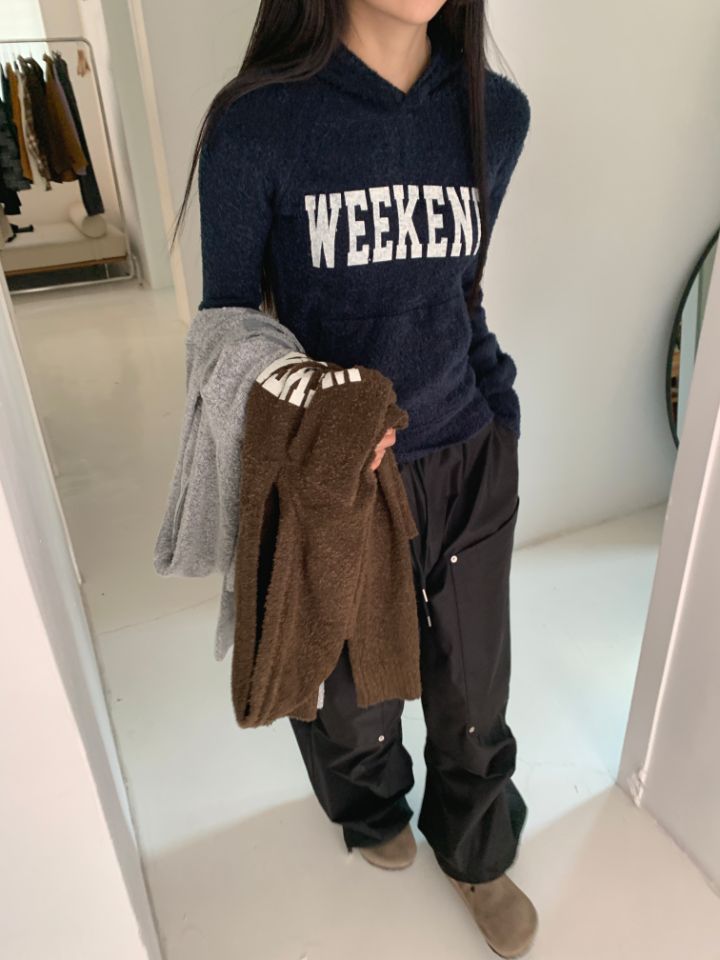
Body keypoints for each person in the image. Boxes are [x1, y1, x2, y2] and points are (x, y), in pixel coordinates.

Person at [171, 1, 537, 955]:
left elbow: (460, 290)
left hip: (468, 453)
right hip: (340, 479)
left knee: (475, 683)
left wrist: (499, 418)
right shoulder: (257, 122)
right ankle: (373, 809)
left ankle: (477, 848)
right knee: (351, 691)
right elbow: (227, 329)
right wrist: (323, 418)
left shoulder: (496, 112)